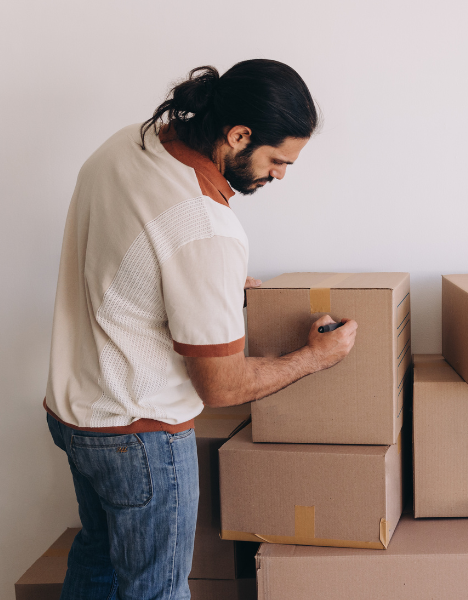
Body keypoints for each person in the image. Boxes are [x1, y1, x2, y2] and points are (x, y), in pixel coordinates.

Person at [44, 59, 357, 600]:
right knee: (156, 592)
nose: (281, 174)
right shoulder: (205, 226)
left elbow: (135, 257)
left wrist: (208, 288)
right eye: (278, 159)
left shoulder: (128, 145)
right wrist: (315, 359)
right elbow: (222, 388)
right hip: (139, 437)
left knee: (98, 564)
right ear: (238, 135)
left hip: (74, 415)